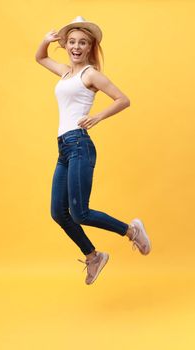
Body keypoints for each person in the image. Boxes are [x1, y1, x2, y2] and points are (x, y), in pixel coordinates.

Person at [35, 16, 151, 285]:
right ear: (66, 45)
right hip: (64, 147)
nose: (77, 47)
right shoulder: (65, 72)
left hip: (79, 145)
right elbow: (40, 58)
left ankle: (132, 231)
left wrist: (97, 117)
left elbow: (123, 99)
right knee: (58, 213)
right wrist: (45, 40)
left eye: (82, 43)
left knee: (80, 213)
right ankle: (93, 256)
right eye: (72, 42)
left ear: (90, 47)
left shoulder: (91, 74)